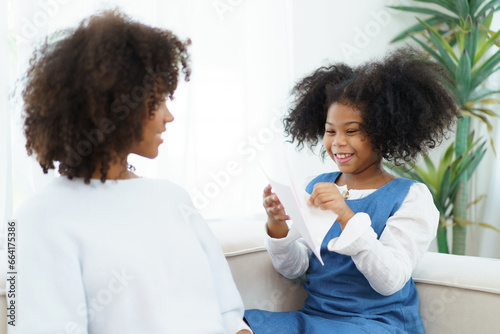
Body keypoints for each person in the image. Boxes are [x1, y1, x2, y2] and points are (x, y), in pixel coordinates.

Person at [12, 10, 252, 334]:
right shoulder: (39, 219)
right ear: (110, 106)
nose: (169, 116)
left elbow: (228, 313)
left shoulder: (172, 199)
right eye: (156, 100)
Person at [245, 48, 458, 334]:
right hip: (316, 319)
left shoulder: (411, 197)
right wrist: (278, 224)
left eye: (352, 131)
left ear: (384, 132)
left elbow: (390, 280)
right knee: (236, 323)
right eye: (331, 131)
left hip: (376, 325)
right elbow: (296, 271)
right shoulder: (316, 184)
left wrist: (346, 216)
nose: (338, 142)